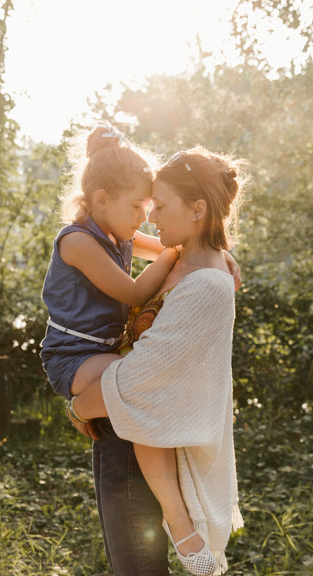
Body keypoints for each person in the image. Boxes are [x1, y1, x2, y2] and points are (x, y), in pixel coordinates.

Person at [40, 125, 240, 575]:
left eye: (155, 206)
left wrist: (216, 251)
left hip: (115, 387)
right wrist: (180, 251)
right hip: (75, 357)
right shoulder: (78, 241)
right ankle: (180, 522)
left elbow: (175, 248)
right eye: (139, 207)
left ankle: (181, 523)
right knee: (131, 388)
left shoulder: (124, 236)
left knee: (135, 564)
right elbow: (134, 293)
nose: (146, 218)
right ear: (102, 199)